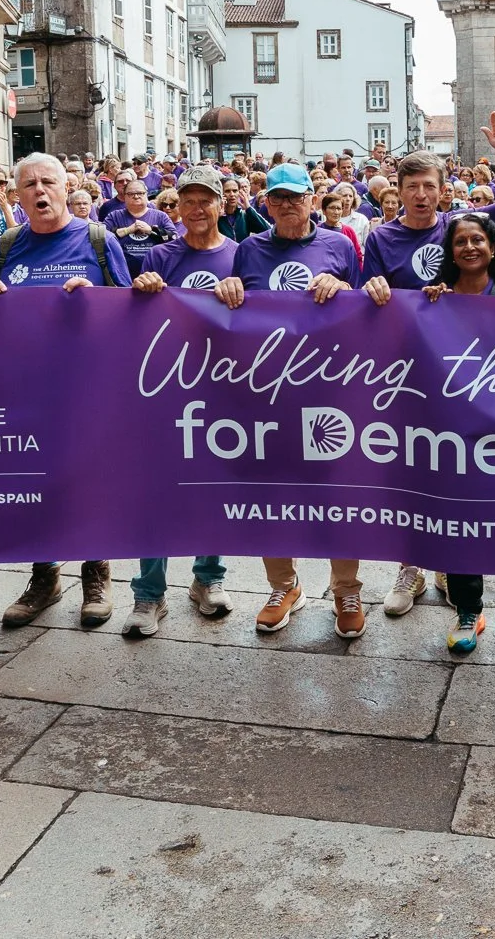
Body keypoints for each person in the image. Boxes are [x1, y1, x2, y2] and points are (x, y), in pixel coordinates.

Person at [359, 111, 495, 618]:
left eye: (429, 186)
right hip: (410, 377)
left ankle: (447, 560)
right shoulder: (380, 239)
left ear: (443, 190)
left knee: (464, 471)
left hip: (474, 376)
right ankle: (411, 565)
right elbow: (370, 297)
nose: (420, 195)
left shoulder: (465, 228)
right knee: (415, 471)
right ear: (397, 191)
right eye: (411, 187)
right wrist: (371, 289)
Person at [219, 162, 383, 640]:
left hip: (328, 386)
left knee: (339, 490)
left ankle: (345, 588)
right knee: (272, 490)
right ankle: (283, 585)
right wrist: (229, 289)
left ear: (313, 199)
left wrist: (346, 289)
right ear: (265, 203)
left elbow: (364, 306)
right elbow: (234, 309)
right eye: (278, 198)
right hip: (265, 389)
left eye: (297, 196)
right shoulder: (249, 249)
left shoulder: (339, 245)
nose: (288, 205)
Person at [0, 154, 132, 630]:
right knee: (32, 480)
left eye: (48, 182)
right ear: (15, 194)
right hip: (27, 386)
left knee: (90, 479)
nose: (39, 191)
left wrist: (95, 296)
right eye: (28, 184)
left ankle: (96, 574)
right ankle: (44, 578)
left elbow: (130, 310)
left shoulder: (97, 239)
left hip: (88, 386)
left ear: (67, 187)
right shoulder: (7, 246)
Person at [122, 167, 238, 636]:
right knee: (158, 488)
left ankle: (207, 578)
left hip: (221, 387)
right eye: (185, 200)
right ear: (175, 207)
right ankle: (149, 594)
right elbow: (134, 317)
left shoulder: (239, 254)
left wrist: (240, 293)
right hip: (165, 389)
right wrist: (144, 290)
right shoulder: (159, 255)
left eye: (204, 200)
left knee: (213, 486)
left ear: (219, 205)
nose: (195, 209)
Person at [423, 212, 495, 654]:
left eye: (478, 240)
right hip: (451, 435)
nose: (469, 248)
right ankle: (468, 610)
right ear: (450, 253)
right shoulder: (434, 301)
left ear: (493, 249)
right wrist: (427, 305)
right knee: (458, 522)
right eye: (460, 242)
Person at [98, 175, 177, 278]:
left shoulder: (161, 216)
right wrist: (127, 230)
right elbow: (100, 238)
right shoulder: (114, 216)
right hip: (121, 274)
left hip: (155, 273)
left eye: (140, 193)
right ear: (125, 196)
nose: (136, 196)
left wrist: (151, 230)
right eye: (131, 194)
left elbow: (174, 238)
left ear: (146, 195)